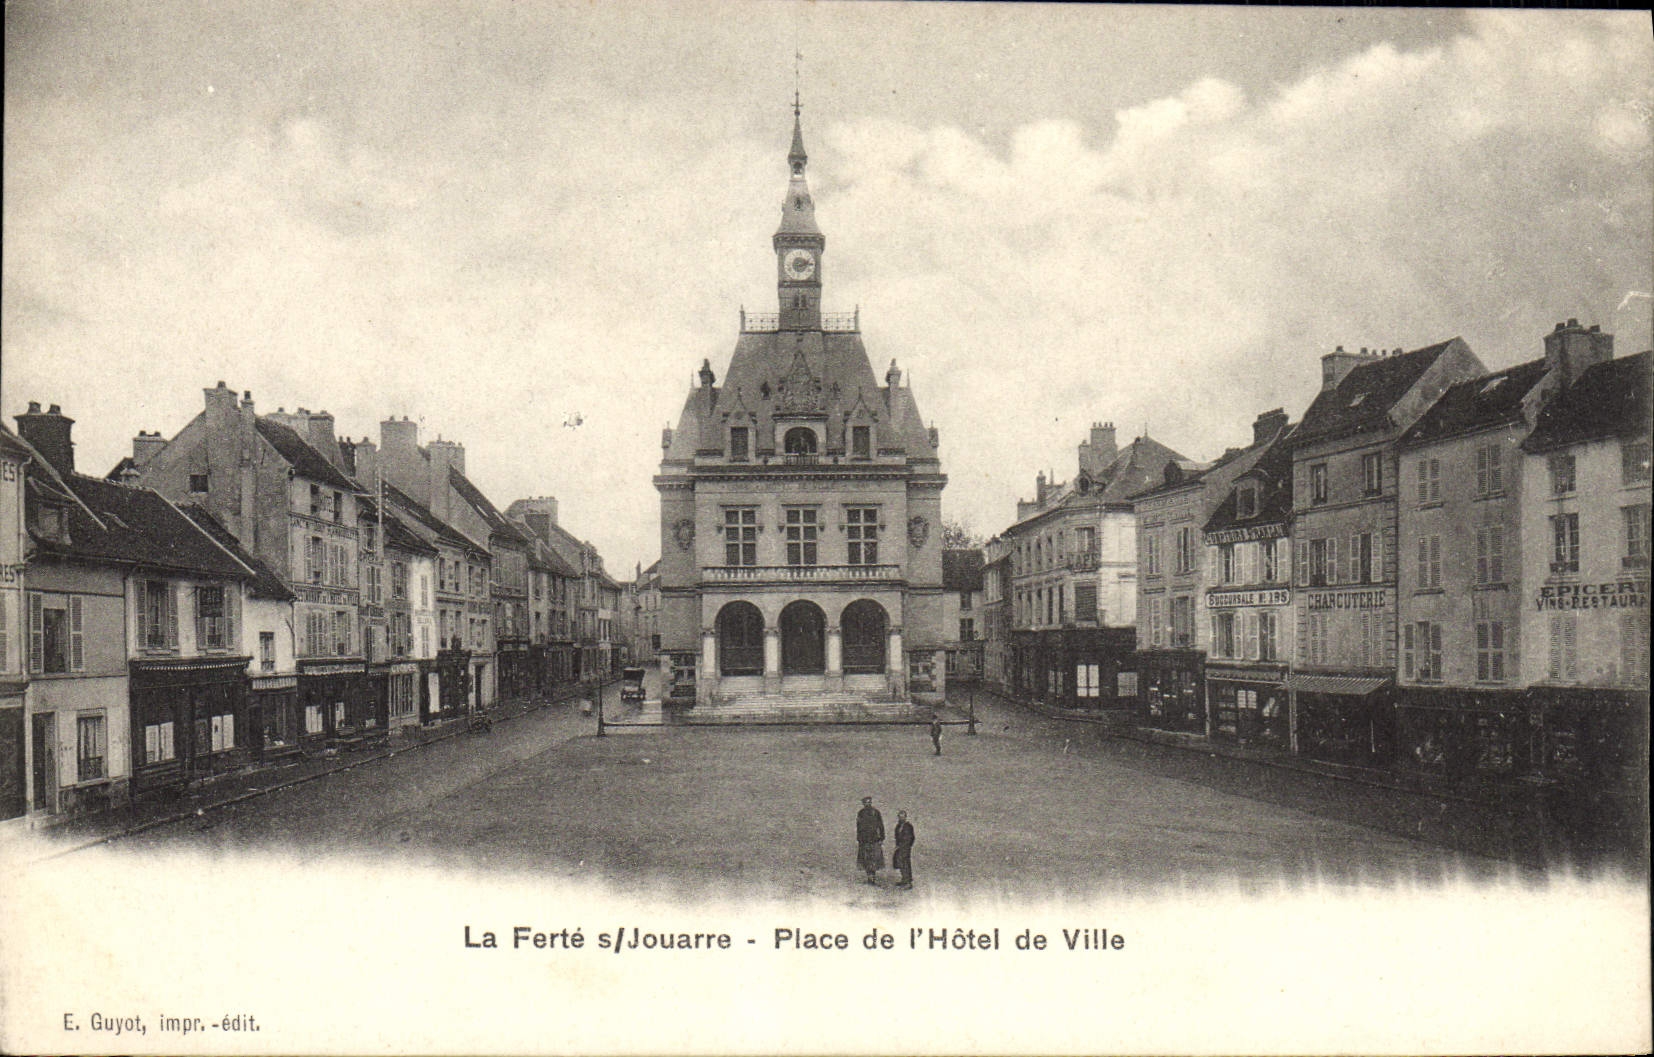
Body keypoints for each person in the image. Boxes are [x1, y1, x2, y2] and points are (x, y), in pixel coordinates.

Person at [855, 796, 885, 885]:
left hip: (874, 839)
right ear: (863, 804)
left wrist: (882, 838)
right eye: (865, 803)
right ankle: (869, 878)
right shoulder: (860, 813)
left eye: (869, 802)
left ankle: (873, 878)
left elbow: (881, 826)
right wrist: (859, 838)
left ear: (871, 803)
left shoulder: (876, 813)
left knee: (874, 859)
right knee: (866, 859)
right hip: (864, 840)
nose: (867, 804)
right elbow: (858, 827)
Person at [892, 810, 916, 889]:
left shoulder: (908, 826)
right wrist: (898, 845)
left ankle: (908, 882)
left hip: (905, 848)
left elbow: (911, 838)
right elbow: (897, 837)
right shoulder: (898, 826)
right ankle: (904, 879)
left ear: (905, 817)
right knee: (900, 863)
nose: (901, 818)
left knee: (905, 864)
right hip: (900, 847)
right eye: (900, 817)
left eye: (903, 817)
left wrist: (906, 846)